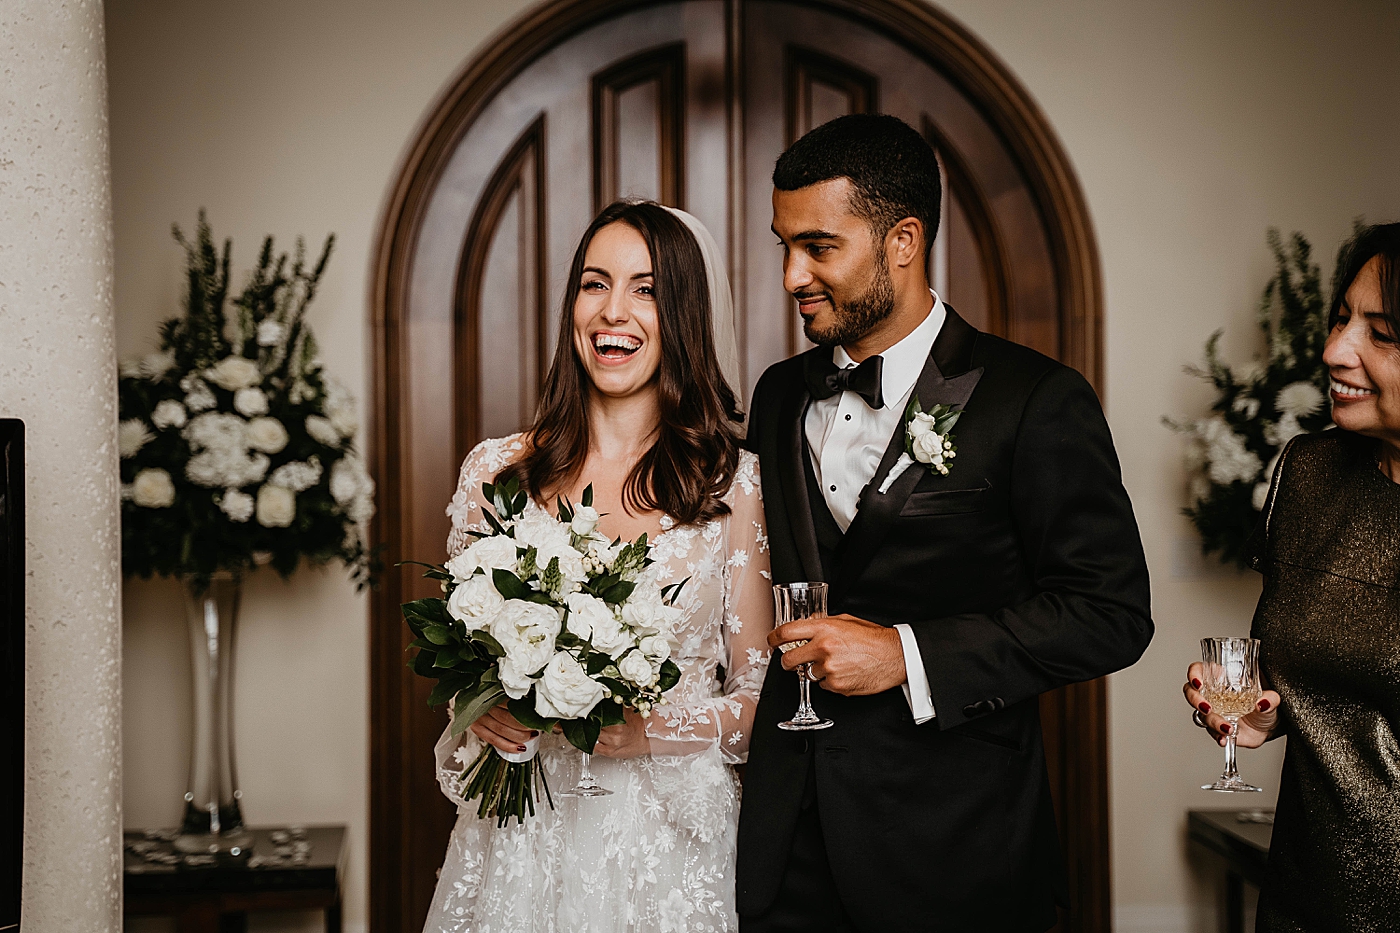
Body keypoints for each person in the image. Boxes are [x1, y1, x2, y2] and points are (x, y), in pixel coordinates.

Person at [736, 113, 1154, 932]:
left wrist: (908, 654)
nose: (791, 275)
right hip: (790, 849)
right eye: (783, 246)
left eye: (818, 247)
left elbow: (1111, 615)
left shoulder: (1035, 397)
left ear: (903, 239)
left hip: (959, 851)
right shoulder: (778, 392)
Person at [422, 200, 773, 933]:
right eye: (594, 283)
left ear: (683, 314)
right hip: (520, 845)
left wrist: (648, 730)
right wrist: (483, 710)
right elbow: (456, 668)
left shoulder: (733, 486)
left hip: (667, 856)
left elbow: (757, 700)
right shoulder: (496, 472)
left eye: (646, 289)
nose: (614, 311)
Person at [1183, 223, 1400, 933]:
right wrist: (1259, 716)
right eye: (1341, 320)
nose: (1336, 350)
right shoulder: (1309, 473)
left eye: (1383, 332)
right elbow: (1305, 677)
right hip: (1303, 898)